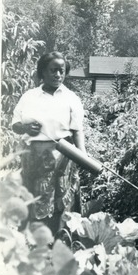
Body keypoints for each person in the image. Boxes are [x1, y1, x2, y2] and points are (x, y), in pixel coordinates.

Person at [12, 51, 86, 235]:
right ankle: (34, 243)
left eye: (61, 71)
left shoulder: (71, 98)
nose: (58, 75)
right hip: (34, 158)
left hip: (63, 156)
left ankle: (61, 240)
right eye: (53, 70)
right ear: (42, 72)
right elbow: (15, 125)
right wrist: (26, 128)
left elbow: (77, 130)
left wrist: (82, 156)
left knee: (61, 199)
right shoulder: (29, 97)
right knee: (35, 198)